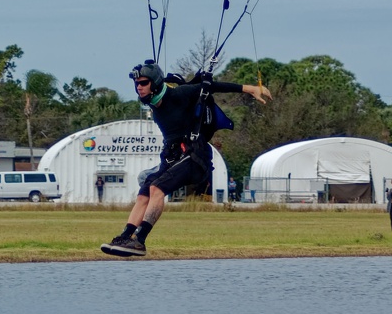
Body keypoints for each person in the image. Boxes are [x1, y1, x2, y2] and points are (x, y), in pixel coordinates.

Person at [101, 59, 272, 257]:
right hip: (173, 156)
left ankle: (140, 241)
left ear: (155, 83)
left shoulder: (179, 94)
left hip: (194, 156)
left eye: (143, 83)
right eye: (137, 84)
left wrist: (250, 89)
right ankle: (126, 236)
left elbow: (210, 87)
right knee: (145, 192)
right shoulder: (154, 101)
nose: (139, 87)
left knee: (157, 189)